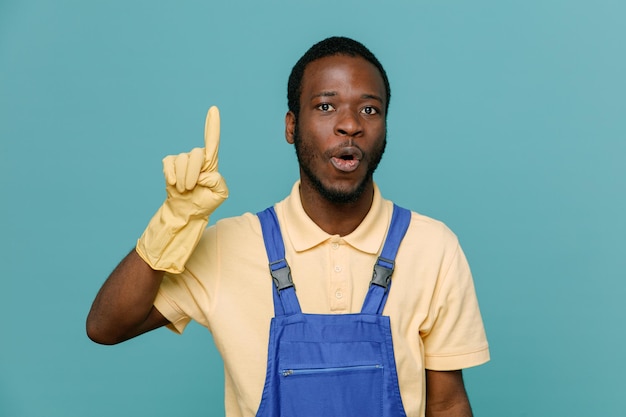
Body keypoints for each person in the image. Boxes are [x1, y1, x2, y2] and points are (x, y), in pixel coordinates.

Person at [87, 36, 489, 417]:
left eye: (370, 109)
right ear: (291, 126)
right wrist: (173, 224)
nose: (350, 125)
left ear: (385, 128)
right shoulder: (230, 246)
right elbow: (107, 326)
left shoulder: (431, 247)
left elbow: (448, 405)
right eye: (326, 106)